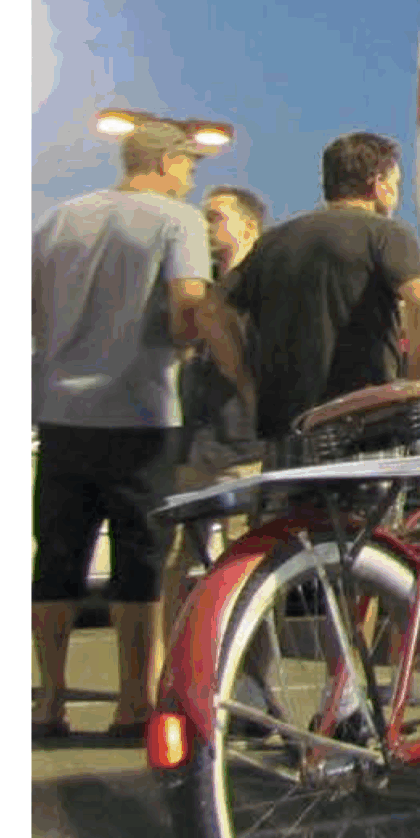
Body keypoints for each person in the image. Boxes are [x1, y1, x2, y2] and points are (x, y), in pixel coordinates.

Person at [33, 120, 253, 740]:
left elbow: (27, 303)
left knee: (58, 558)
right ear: (161, 163)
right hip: (140, 412)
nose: (189, 181)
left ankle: (49, 701)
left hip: (60, 414)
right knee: (138, 560)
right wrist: (189, 344)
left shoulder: (59, 219)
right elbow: (188, 306)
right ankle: (132, 704)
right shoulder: (173, 220)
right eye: (187, 168)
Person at [229, 131, 420, 458]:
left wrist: (243, 381)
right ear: (377, 182)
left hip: (286, 435)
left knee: (291, 511)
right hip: (364, 427)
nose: (397, 195)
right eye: (395, 183)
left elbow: (209, 308)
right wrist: (416, 388)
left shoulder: (273, 242)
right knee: (366, 510)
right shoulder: (385, 233)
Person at [161, 184, 269, 640]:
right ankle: (166, 668)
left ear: (247, 225)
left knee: (245, 562)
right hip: (194, 446)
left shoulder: (265, 288)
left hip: (243, 445)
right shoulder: (197, 285)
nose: (205, 226)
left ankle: (246, 671)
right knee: (174, 560)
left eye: (215, 217)